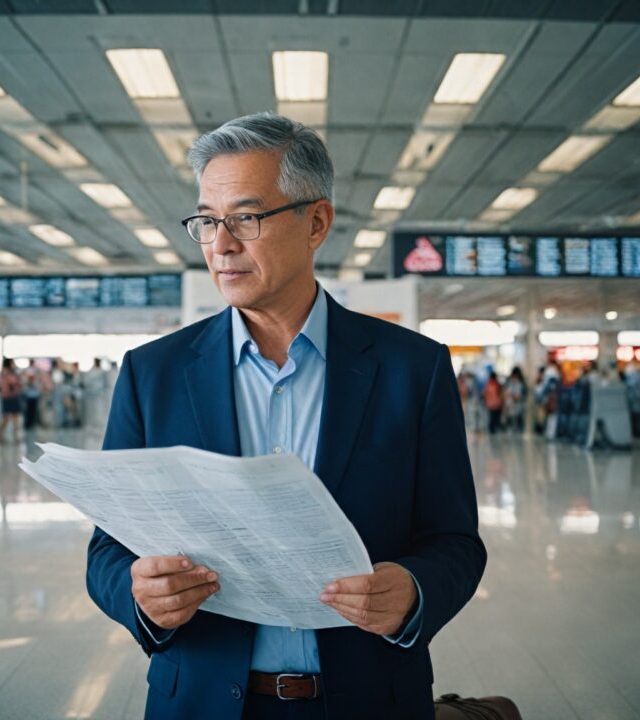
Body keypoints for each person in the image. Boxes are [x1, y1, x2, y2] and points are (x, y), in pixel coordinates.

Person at [86, 112, 485, 720]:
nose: (221, 245)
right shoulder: (154, 374)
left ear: (316, 222)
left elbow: (455, 541)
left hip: (368, 698)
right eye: (207, 221)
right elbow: (107, 549)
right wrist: (139, 593)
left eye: (246, 218)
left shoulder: (412, 369)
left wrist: (414, 590)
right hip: (202, 700)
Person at [0, 358, 22, 443]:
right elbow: (13, 383)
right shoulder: (7, 373)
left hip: (9, 397)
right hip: (9, 397)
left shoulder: (5, 373)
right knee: (8, 418)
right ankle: (2, 434)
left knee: (12, 417)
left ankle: (12, 435)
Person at [483, 370, 504, 435]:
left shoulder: (488, 384)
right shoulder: (498, 384)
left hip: (490, 405)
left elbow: (484, 394)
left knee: (491, 419)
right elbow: (501, 394)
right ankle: (495, 430)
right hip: (497, 404)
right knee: (496, 419)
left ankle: (492, 431)